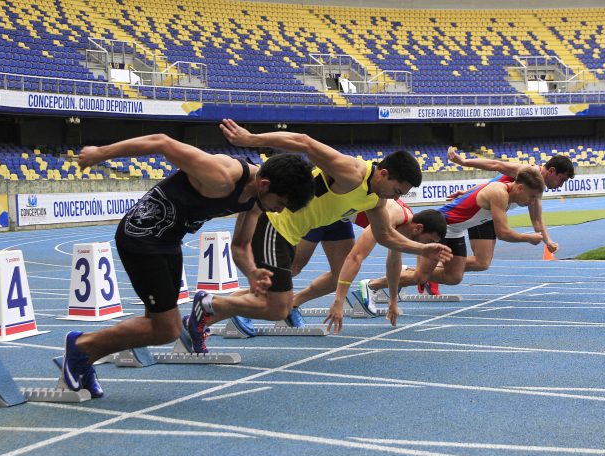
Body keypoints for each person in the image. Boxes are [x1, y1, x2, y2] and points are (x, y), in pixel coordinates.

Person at [61, 133, 315, 397]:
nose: (278, 211)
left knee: (162, 325)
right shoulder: (221, 174)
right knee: (167, 328)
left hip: (168, 242)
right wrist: (100, 153)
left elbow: (240, 246)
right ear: (264, 184)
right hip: (141, 238)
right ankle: (82, 347)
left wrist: (252, 272)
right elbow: (162, 142)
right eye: (281, 204)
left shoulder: (256, 199)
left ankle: (84, 352)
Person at [184, 119, 452, 343]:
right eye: (396, 190)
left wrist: (422, 248)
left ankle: (194, 324)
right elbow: (304, 141)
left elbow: (386, 236)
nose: (396, 197)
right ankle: (209, 304)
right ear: (383, 174)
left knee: (274, 299)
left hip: (290, 235)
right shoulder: (350, 171)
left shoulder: (377, 199)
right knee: (279, 306)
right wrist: (250, 138)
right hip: (274, 224)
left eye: (401, 195)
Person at [359, 166, 546, 311]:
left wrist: (464, 194)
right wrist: (528, 238)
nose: (531, 202)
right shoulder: (500, 193)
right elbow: (503, 233)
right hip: (441, 227)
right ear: (520, 187)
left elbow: (481, 189)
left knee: (454, 277)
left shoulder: (505, 192)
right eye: (531, 197)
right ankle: (372, 285)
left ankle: (403, 273)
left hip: (456, 231)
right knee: (420, 276)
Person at [321, 204, 446, 334]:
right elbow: (355, 257)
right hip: (325, 205)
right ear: (418, 228)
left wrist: (392, 301)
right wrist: (338, 302)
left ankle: (296, 302)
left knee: (335, 277)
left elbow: (393, 262)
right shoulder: (390, 217)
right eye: (428, 241)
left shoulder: (404, 226)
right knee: (298, 266)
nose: (426, 246)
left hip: (340, 214)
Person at [446, 147, 574, 272]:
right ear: (552, 171)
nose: (561, 185)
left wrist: (548, 241)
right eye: (562, 179)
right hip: (484, 210)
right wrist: (463, 162)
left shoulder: (536, 188)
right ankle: (432, 267)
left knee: (481, 263)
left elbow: (537, 221)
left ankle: (433, 267)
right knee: (481, 262)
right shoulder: (527, 171)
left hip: (489, 214)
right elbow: (496, 164)